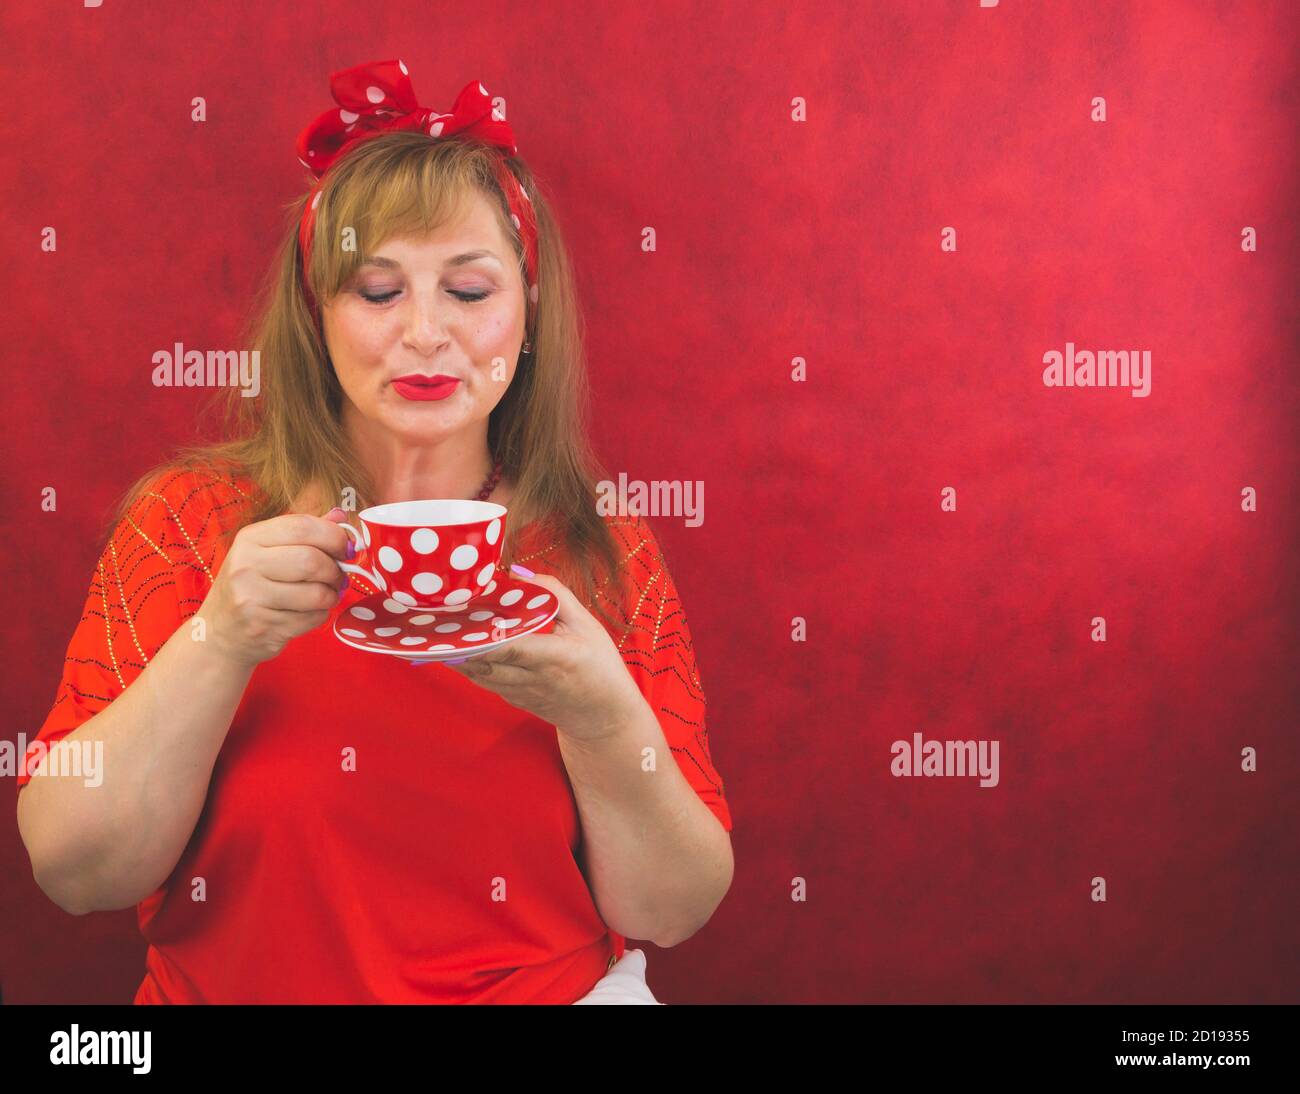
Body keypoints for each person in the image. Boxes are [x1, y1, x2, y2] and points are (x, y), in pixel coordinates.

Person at [16, 60, 733, 1004]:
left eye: (470, 293)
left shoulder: (604, 548)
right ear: (317, 316)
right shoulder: (186, 527)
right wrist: (218, 643)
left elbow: (673, 909)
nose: (426, 334)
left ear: (529, 313)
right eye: (378, 290)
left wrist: (603, 718)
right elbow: (76, 874)